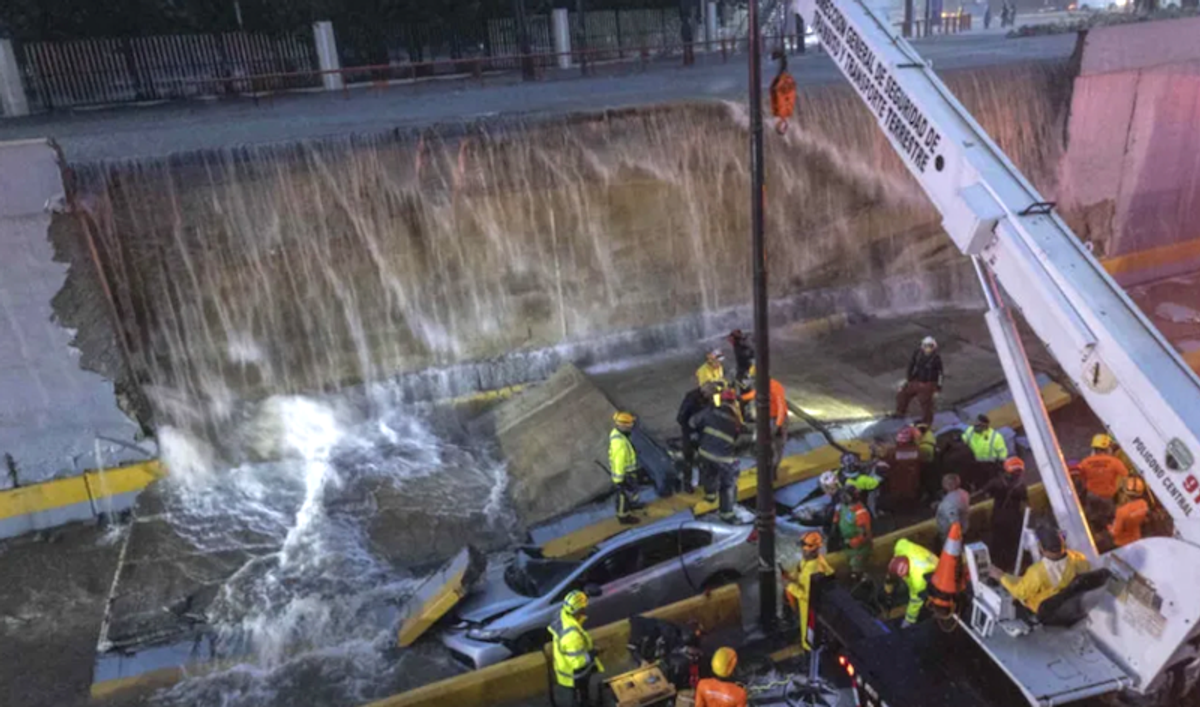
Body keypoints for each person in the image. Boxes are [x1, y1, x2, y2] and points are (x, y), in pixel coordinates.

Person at [989, 527, 1091, 615]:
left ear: (1041, 548)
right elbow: (1085, 569)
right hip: (1067, 603)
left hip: (1045, 610)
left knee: (1015, 600)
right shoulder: (1078, 558)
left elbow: (1020, 592)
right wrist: (1007, 576)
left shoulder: (1037, 572)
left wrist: (1000, 576)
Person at [694, 389, 744, 522]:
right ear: (733, 402)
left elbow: (695, 422)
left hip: (705, 452)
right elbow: (739, 438)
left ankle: (710, 495)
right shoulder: (734, 420)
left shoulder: (709, 412)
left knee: (709, 474)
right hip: (724, 458)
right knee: (728, 484)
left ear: (721, 400)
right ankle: (726, 513)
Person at [549, 589, 603, 706]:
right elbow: (578, 662)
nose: (585, 609)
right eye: (583, 607)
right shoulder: (572, 636)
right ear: (578, 611)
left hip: (563, 666)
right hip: (575, 674)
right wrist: (593, 653)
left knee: (578, 695)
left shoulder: (562, 614)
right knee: (580, 695)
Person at [785, 532, 835, 650]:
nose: (802, 550)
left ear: (812, 549)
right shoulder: (812, 561)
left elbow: (808, 595)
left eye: (804, 547)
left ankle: (808, 649)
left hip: (808, 607)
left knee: (808, 630)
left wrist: (790, 586)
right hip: (809, 604)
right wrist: (791, 577)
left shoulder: (813, 570)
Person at [979, 457, 1029, 572]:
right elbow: (1025, 502)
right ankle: (1012, 564)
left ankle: (997, 565)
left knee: (998, 543)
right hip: (1015, 518)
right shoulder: (1021, 485)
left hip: (999, 516)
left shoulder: (997, 482)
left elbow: (983, 492)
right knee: (1013, 543)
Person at [741, 364, 788, 474]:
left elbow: (781, 407)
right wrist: (741, 398)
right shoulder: (761, 386)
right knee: (759, 441)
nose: (752, 381)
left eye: (753, 378)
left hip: (777, 419)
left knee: (777, 446)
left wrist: (778, 425)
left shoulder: (775, 387)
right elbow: (755, 394)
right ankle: (763, 463)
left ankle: (773, 469)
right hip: (765, 418)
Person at [885, 537, 939, 628]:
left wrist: (908, 620)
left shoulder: (918, 580)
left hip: (936, 571)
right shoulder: (901, 546)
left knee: (924, 596)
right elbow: (901, 542)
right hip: (924, 558)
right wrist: (888, 582)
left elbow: (915, 601)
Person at [676, 383, 716, 493]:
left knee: (704, 459)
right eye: (710, 395)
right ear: (705, 392)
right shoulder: (691, 399)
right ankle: (687, 484)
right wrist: (691, 430)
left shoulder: (707, 399)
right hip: (690, 433)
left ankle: (703, 482)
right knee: (688, 459)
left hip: (701, 433)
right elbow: (681, 418)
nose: (711, 398)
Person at [895, 336, 944, 425]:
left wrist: (938, 389)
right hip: (916, 380)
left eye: (930, 346)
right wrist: (908, 379)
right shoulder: (917, 354)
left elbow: (940, 374)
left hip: (929, 383)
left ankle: (926, 422)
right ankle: (900, 413)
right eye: (926, 346)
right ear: (922, 346)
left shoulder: (936, 359)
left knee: (926, 403)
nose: (928, 348)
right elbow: (911, 365)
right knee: (902, 393)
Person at [609, 412, 642, 525]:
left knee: (631, 492)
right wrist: (619, 481)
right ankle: (623, 517)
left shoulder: (618, 435)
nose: (632, 426)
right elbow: (619, 461)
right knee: (623, 496)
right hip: (625, 474)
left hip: (627, 473)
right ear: (623, 425)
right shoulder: (619, 444)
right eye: (630, 424)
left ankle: (632, 505)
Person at [834, 486, 873, 581]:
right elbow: (838, 515)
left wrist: (850, 543)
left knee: (856, 570)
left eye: (846, 495)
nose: (843, 497)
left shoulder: (861, 514)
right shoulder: (844, 506)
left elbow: (864, 535)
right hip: (845, 542)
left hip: (858, 549)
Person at [1078, 434, 1129, 501]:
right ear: (1107, 448)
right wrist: (1119, 490)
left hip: (1091, 496)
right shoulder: (1115, 462)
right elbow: (1125, 476)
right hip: (1108, 497)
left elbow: (1080, 478)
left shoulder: (1085, 462)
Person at [1109, 476, 1150, 548]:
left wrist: (1108, 527)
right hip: (1136, 539)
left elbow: (1115, 532)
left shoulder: (1121, 511)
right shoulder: (1144, 504)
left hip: (1121, 543)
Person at [935, 473, 970, 548]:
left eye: (944, 483)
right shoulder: (964, 493)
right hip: (964, 528)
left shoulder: (948, 502)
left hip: (950, 536)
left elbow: (954, 522)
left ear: (949, 485)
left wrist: (955, 538)